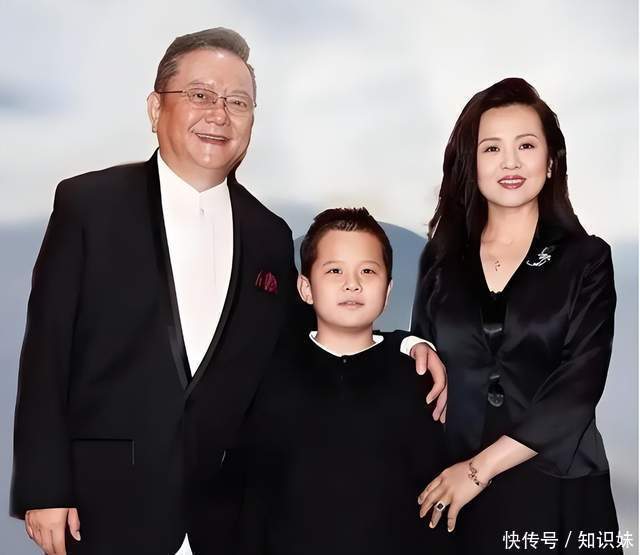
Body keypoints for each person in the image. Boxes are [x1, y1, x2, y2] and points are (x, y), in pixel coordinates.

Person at [11, 28, 445, 555]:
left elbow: (306, 337)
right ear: (155, 108)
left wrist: (404, 343)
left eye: (237, 102)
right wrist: (44, 489)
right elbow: (47, 349)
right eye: (200, 95)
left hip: (227, 512)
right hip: (105, 502)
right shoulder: (89, 204)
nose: (219, 114)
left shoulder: (268, 234)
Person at [411, 77, 622, 554]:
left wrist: (477, 471)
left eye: (525, 145)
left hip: (557, 486)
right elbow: (423, 369)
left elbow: (579, 386)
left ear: (550, 161)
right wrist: (411, 345)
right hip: (457, 492)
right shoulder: (441, 262)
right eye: (492, 148)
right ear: (472, 164)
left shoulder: (586, 259)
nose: (509, 162)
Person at [238, 208, 452, 555]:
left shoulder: (417, 376)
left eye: (367, 271)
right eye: (334, 270)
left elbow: (431, 493)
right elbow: (251, 493)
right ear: (306, 288)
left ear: (388, 290)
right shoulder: (268, 373)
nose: (352, 283)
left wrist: (409, 343)